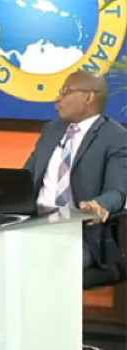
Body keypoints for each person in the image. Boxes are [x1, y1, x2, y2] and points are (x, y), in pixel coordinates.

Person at [24, 70, 127, 271]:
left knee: (44, 264)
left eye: (65, 91)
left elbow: (117, 191)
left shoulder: (116, 138)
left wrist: (99, 204)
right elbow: (25, 176)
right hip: (33, 226)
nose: (57, 99)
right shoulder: (51, 130)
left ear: (89, 97)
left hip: (79, 234)